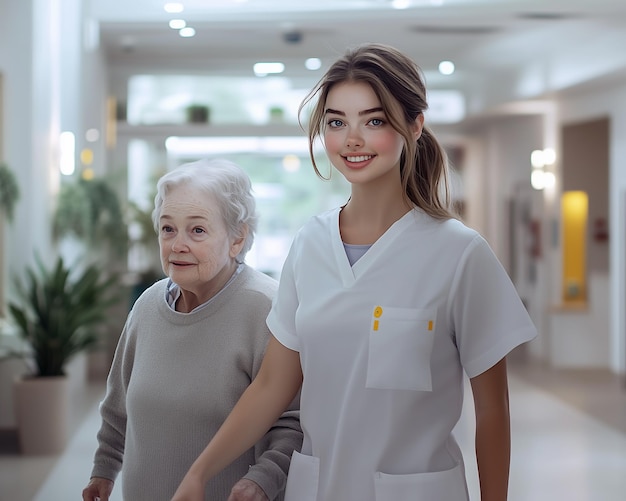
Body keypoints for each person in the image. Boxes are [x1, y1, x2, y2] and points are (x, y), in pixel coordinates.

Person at [171, 43, 537, 501]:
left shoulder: (460, 253)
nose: (352, 140)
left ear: (415, 125)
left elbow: (492, 408)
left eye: (375, 120)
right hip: (318, 487)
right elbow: (272, 385)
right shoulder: (310, 245)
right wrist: (199, 473)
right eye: (336, 122)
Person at [82, 158, 302, 501]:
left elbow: (292, 422)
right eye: (168, 229)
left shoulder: (266, 309)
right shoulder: (147, 305)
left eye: (197, 230)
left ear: (237, 238)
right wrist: (104, 468)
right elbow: (118, 406)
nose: (177, 245)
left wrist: (261, 481)